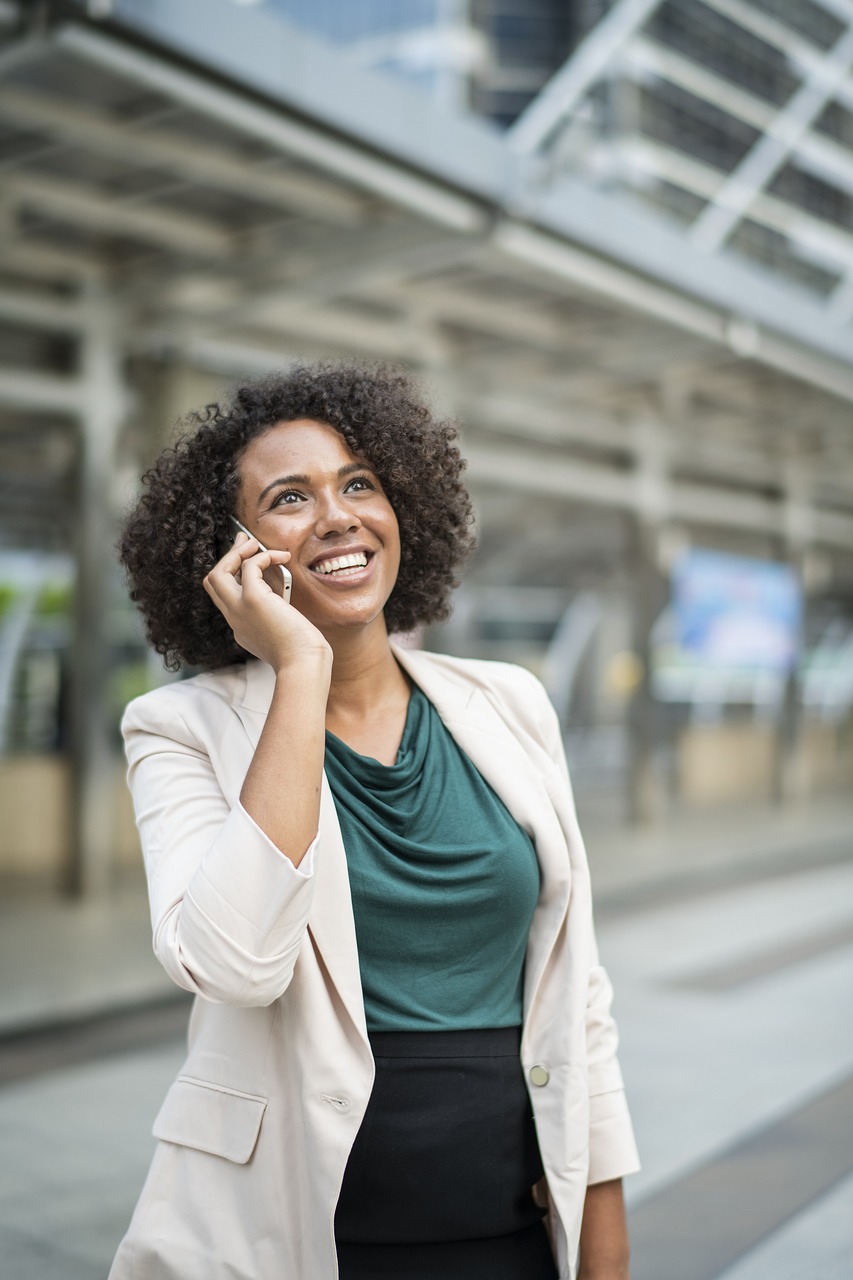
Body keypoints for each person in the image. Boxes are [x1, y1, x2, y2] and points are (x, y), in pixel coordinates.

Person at [111, 363, 639, 1280]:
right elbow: (234, 964)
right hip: (290, 1242)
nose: (337, 516)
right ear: (232, 554)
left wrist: (603, 1249)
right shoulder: (178, 728)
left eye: (358, 483)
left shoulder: (508, 703)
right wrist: (299, 668)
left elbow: (577, 999)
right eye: (289, 498)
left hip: (503, 1237)